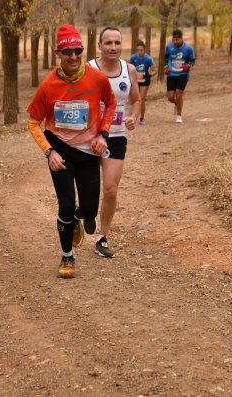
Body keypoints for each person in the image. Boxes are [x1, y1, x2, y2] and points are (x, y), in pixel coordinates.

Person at [27, 24, 116, 278]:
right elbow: (33, 122)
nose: (74, 57)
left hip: (89, 152)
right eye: (68, 52)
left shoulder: (97, 78)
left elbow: (110, 103)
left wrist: (103, 133)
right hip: (61, 150)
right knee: (65, 205)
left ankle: (80, 214)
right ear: (58, 53)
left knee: (88, 211)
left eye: (78, 50)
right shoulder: (48, 86)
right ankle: (67, 257)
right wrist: (48, 152)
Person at [87, 27, 140, 258]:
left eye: (117, 42)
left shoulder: (129, 70)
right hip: (87, 137)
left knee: (110, 188)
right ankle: (86, 212)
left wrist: (132, 117)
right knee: (88, 188)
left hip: (116, 136)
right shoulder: (88, 69)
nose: (113, 47)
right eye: (108, 43)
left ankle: (102, 237)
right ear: (99, 46)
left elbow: (135, 100)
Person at [164, 29, 195, 123]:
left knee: (179, 94)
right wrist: (165, 67)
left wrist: (188, 65)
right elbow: (166, 58)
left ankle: (179, 115)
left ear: (181, 38)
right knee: (170, 97)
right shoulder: (169, 47)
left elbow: (192, 61)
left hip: (183, 74)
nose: (175, 41)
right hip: (171, 74)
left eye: (177, 39)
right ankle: (177, 104)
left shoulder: (188, 48)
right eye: (174, 39)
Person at [129, 40, 156, 125]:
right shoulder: (133, 57)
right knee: (135, 99)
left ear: (144, 50)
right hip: (136, 81)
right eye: (138, 50)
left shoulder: (148, 58)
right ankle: (133, 116)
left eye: (141, 50)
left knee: (140, 99)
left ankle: (140, 118)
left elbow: (154, 71)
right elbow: (129, 68)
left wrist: (150, 75)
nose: (139, 52)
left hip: (145, 81)